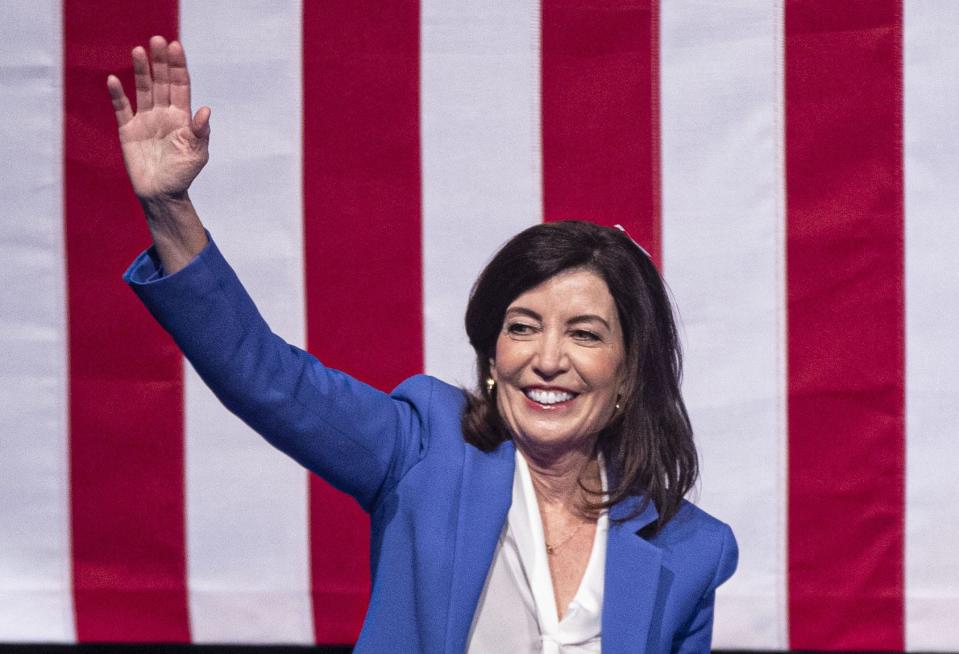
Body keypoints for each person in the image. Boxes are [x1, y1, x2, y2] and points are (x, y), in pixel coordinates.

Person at [108, 36, 737, 653]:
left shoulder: (690, 551)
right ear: (493, 359)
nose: (547, 358)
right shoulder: (424, 448)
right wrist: (170, 210)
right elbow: (268, 379)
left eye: (584, 334)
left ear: (628, 374)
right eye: (521, 326)